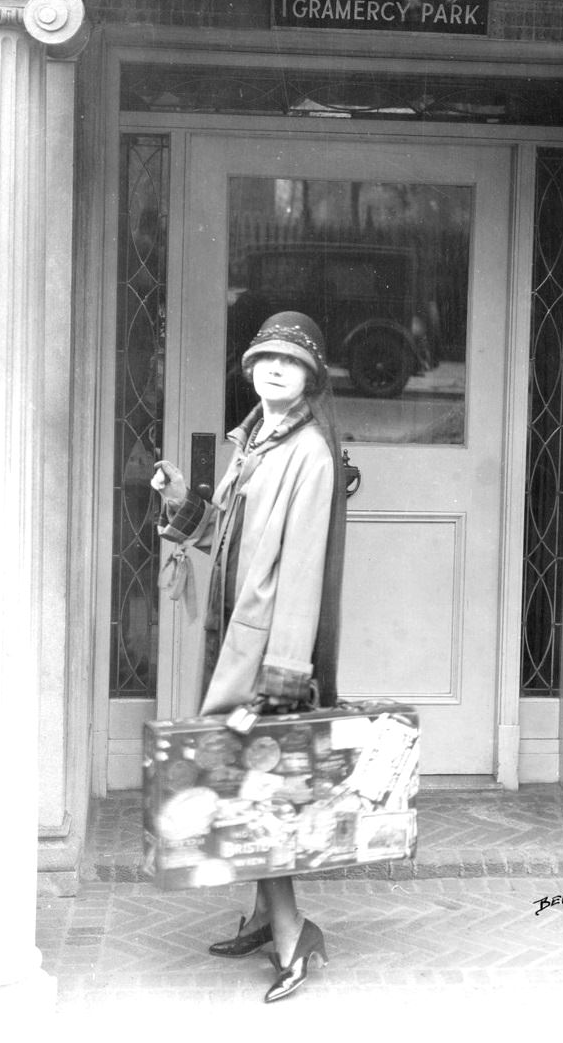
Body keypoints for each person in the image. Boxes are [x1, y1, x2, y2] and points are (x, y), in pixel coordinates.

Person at [151, 310, 345, 1003]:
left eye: (290, 363)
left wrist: (284, 677)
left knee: (255, 789)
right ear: (251, 370)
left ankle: (293, 933)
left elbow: (300, 572)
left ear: (311, 379)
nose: (275, 369)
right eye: (265, 359)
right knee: (247, 782)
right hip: (234, 641)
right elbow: (232, 544)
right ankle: (268, 917)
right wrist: (185, 506)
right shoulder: (256, 442)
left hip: (267, 655)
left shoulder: (311, 456)